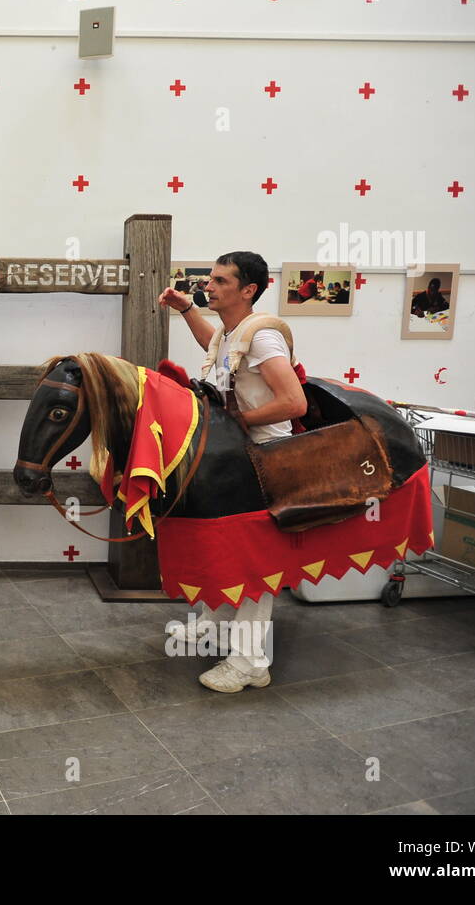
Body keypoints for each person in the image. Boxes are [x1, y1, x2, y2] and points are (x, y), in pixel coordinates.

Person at [157, 251, 308, 693]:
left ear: (248, 290)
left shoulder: (263, 339)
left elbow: (294, 403)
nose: (212, 285)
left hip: (267, 458)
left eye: (222, 281)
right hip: (241, 454)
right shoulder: (233, 333)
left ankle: (249, 663)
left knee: (256, 562)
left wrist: (238, 421)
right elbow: (216, 347)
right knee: (221, 545)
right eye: (212, 279)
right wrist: (186, 309)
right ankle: (214, 623)